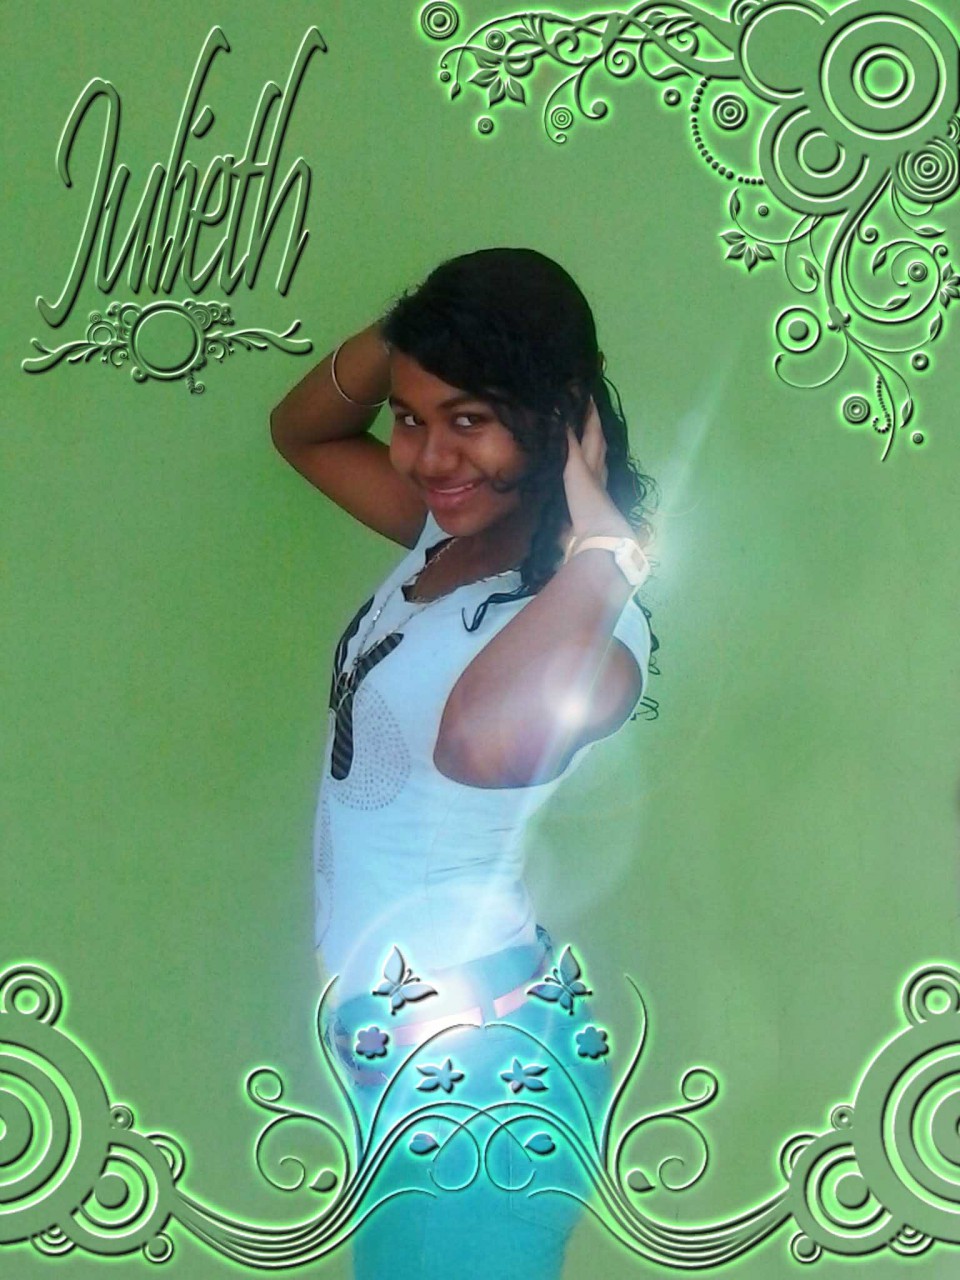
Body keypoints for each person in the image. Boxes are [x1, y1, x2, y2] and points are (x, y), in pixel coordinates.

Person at [269, 247, 657, 1279]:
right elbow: (302, 430)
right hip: (406, 1047)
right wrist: (421, 324)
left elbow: (475, 744)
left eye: (470, 419)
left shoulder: (597, 632)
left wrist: (608, 551)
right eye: (410, 417)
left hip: (483, 1079)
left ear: (557, 416)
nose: (427, 458)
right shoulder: (445, 545)